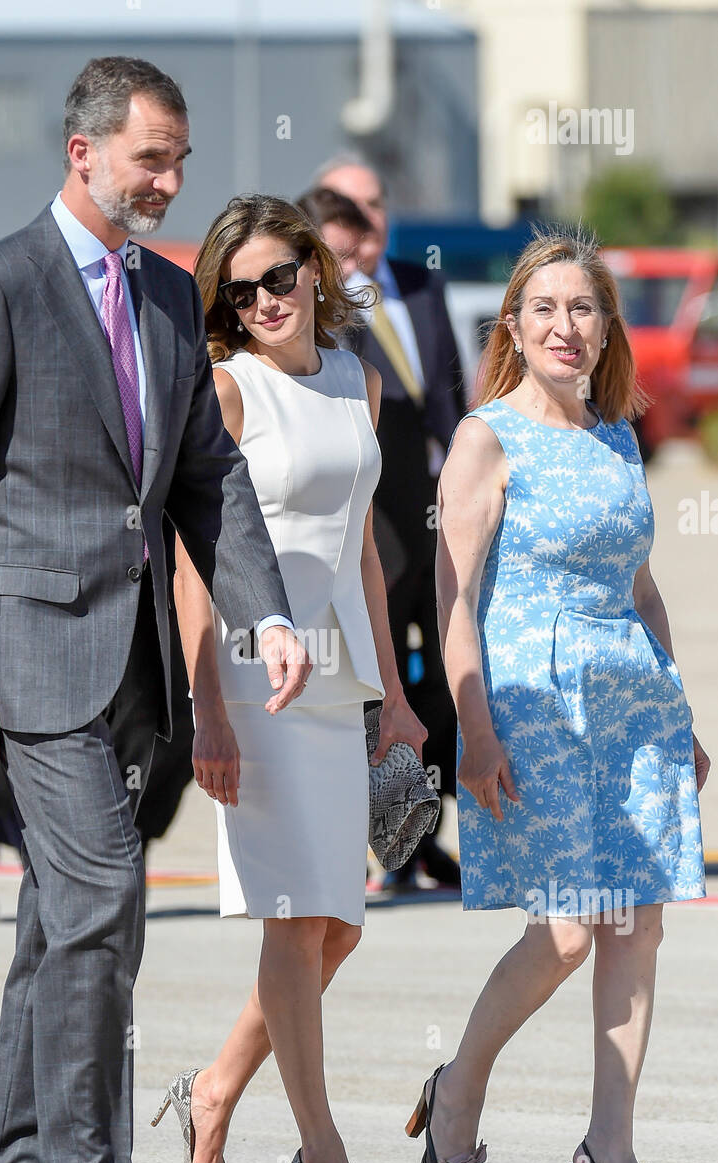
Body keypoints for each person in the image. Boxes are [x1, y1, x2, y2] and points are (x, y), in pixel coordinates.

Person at [0, 56, 310, 1163]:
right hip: (25, 657)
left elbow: (206, 478)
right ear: (82, 152)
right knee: (103, 906)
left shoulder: (171, 302)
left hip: (130, 670)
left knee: (57, 928)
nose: (171, 182)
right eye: (150, 159)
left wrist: (264, 616)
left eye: (180, 160)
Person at [407, 226, 709, 1163]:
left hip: (631, 703)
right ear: (515, 326)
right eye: (544, 309)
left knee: (639, 921)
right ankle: (459, 1087)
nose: (564, 326)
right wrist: (472, 730)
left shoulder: (619, 434)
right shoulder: (487, 435)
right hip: (530, 701)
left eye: (582, 308)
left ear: (605, 327)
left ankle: (610, 1145)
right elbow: (453, 598)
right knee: (571, 928)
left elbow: (642, 591)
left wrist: (678, 713)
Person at [152, 193, 426, 1163]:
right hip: (250, 682)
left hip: (339, 673)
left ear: (314, 270)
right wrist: (205, 710)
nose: (262, 298)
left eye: (278, 276)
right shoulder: (226, 389)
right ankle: (325, 1159)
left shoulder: (352, 379)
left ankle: (215, 1086)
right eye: (240, 286)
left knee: (339, 924)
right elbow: (190, 558)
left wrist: (394, 693)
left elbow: (360, 546)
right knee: (292, 915)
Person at [313, 155, 466, 889]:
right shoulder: (314, 300)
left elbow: (451, 395)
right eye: (350, 207)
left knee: (440, 682)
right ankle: (381, 841)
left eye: (374, 204)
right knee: (376, 691)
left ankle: (420, 836)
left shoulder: (419, 283)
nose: (367, 219)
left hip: (436, 516)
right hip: (371, 527)